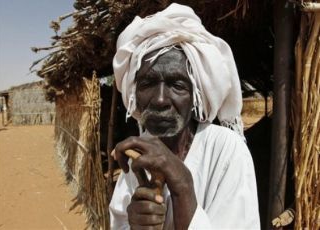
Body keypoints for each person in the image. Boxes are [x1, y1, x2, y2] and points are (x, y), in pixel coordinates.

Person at [110, 3, 260, 229]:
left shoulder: (226, 150)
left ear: (195, 96)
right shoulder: (138, 156)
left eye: (176, 85)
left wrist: (183, 185)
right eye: (148, 83)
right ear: (135, 94)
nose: (160, 99)